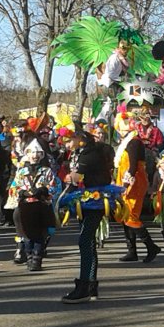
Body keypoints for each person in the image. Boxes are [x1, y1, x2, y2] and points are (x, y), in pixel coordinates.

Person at [60, 130, 122, 304]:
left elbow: (75, 178)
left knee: (85, 240)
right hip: (90, 199)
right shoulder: (85, 153)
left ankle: (84, 286)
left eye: (71, 139)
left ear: (81, 140)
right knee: (88, 241)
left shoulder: (88, 155)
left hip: (94, 201)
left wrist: (68, 182)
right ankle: (90, 284)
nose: (67, 142)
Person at [114, 109, 161, 263]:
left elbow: (133, 166)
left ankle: (151, 246)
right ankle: (132, 251)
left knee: (131, 216)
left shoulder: (134, 142)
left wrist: (125, 184)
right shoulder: (127, 142)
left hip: (133, 184)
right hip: (126, 182)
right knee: (125, 215)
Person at [10, 138, 57, 271]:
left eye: (38, 153)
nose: (35, 156)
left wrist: (44, 190)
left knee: (40, 234)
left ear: (42, 155)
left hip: (41, 206)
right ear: (27, 154)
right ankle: (29, 255)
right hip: (25, 206)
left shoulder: (46, 171)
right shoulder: (21, 172)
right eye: (32, 153)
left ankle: (37, 258)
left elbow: (54, 187)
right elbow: (14, 188)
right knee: (26, 234)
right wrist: (23, 193)